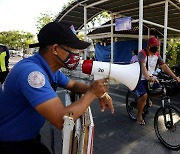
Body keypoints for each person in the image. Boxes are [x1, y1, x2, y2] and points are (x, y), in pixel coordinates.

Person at [0, 21, 114, 154]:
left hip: (27, 137)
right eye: (73, 49)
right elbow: (62, 120)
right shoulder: (32, 74)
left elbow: (74, 85)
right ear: (55, 49)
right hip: (10, 144)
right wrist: (93, 93)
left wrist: (99, 92)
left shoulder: (50, 70)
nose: (77, 54)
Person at [136, 37, 180, 125]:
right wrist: (147, 77)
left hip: (151, 78)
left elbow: (164, 66)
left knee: (161, 91)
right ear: (148, 46)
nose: (156, 48)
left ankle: (148, 99)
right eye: (154, 46)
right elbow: (143, 66)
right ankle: (139, 116)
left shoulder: (156, 54)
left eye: (157, 46)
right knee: (144, 96)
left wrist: (175, 77)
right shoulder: (142, 53)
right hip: (139, 78)